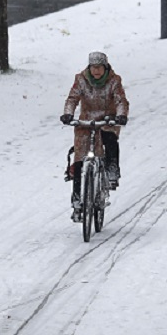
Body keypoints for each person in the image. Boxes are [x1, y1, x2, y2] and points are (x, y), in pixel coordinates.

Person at [60, 51, 129, 221]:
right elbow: (72, 99)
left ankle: (112, 170)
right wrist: (68, 114)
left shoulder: (114, 81)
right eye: (93, 67)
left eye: (99, 67)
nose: (96, 71)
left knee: (110, 139)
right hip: (86, 122)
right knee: (78, 160)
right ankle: (77, 201)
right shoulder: (81, 80)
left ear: (105, 67)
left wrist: (121, 116)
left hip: (107, 121)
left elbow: (121, 100)